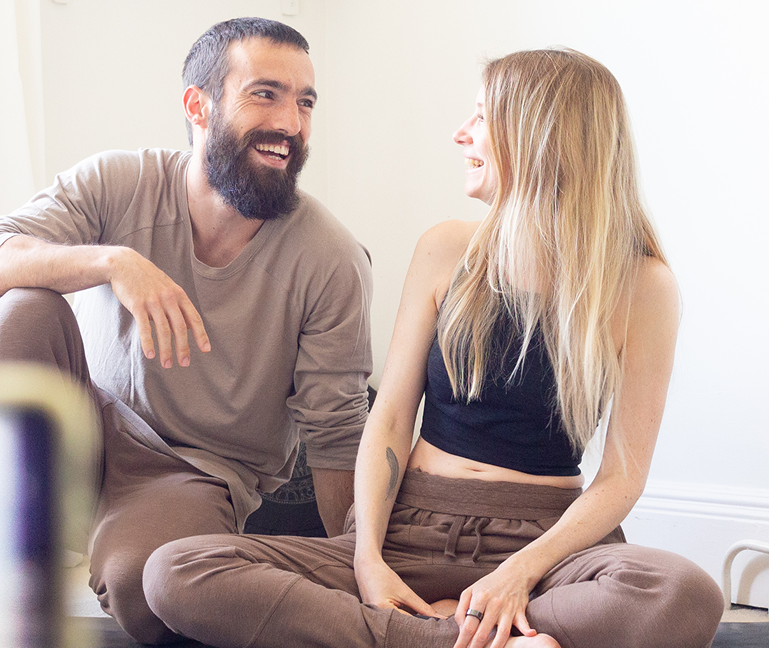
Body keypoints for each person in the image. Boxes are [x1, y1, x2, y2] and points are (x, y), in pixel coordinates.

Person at [143, 48, 727, 648]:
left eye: (481, 117)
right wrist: (367, 556)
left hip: (547, 544)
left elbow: (623, 475)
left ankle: (422, 634)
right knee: (176, 571)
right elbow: (391, 418)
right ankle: (461, 639)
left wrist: (518, 574)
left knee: (683, 593)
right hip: (410, 527)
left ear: (536, 135)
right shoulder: (445, 250)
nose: (461, 134)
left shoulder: (642, 285)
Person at [0, 18, 373, 644]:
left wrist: (359, 568)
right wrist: (109, 261)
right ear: (198, 105)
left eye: (304, 101)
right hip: (76, 430)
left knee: (145, 585)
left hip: (189, 475)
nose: (291, 123)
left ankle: (98, 538)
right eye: (266, 93)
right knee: (25, 307)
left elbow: (338, 434)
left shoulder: (331, 259)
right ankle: (2, 527)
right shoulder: (118, 183)